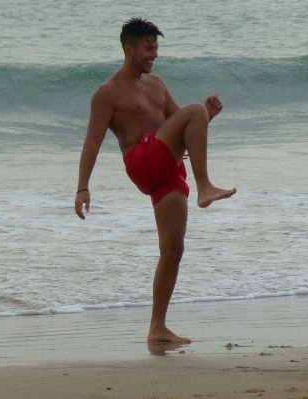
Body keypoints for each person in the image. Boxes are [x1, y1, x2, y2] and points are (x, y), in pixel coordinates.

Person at [74, 17, 236, 344]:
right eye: (149, 48)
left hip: (167, 168)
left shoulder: (158, 84)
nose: (155, 55)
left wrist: (205, 116)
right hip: (142, 160)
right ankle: (205, 186)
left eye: (157, 48)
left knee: (173, 248)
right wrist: (82, 186)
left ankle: (157, 327)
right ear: (128, 48)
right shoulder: (107, 93)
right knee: (193, 111)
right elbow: (92, 142)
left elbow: (181, 123)